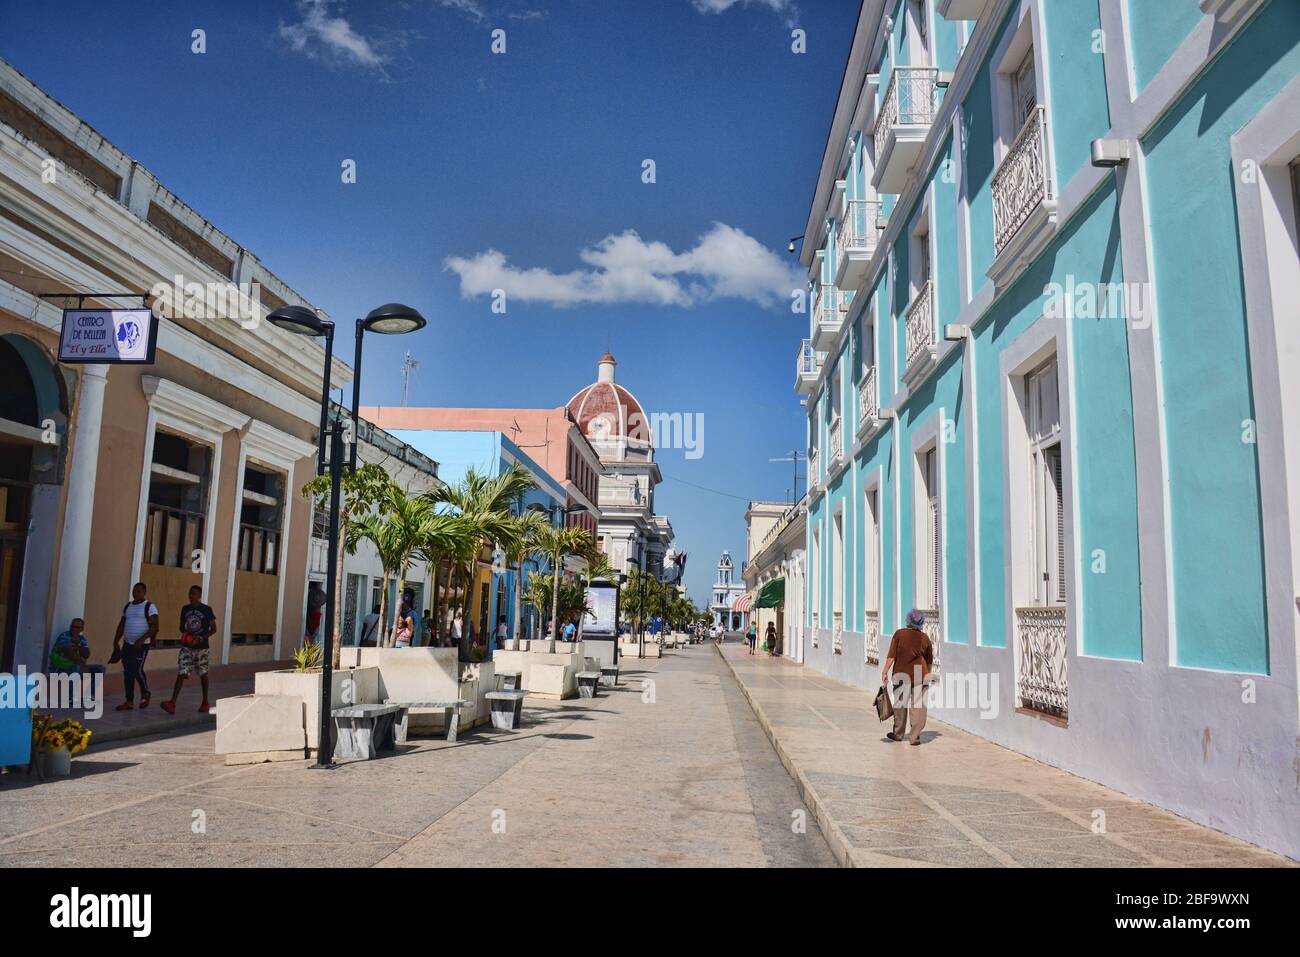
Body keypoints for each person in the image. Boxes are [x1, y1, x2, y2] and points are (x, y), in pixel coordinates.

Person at [881, 608, 934, 746]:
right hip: (919, 674)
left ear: (908, 620)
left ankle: (898, 734)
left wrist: (885, 671)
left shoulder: (899, 634)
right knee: (918, 707)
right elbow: (929, 660)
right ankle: (914, 737)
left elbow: (892, 655)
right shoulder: (925, 638)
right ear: (922, 622)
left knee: (900, 705)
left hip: (901, 673)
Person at [161, 585, 217, 715]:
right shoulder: (185, 609)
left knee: (203, 674)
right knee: (182, 672)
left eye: (194, 594)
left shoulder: (207, 610)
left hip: (202, 648)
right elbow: (181, 627)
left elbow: (214, 629)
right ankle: (172, 703)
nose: (191, 596)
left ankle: (205, 702)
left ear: (199, 595)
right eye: (190, 594)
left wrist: (201, 638)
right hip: (187, 647)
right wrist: (186, 633)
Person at [112, 581, 158, 710]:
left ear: (144, 592)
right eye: (134, 590)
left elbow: (155, 627)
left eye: (138, 591)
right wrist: (115, 641)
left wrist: (142, 639)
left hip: (141, 646)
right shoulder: (128, 606)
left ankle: (145, 693)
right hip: (128, 644)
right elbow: (122, 625)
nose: (135, 593)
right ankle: (129, 701)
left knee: (137, 669)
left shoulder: (149, 606)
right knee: (127, 673)